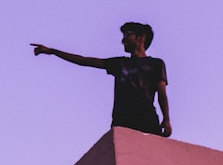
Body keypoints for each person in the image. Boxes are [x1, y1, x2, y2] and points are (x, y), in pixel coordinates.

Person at [30, 22, 171, 137]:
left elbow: (162, 93)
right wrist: (53, 51)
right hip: (122, 120)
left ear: (141, 37)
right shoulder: (119, 63)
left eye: (128, 35)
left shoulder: (156, 64)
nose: (123, 40)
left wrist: (166, 118)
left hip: (146, 118)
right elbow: (84, 60)